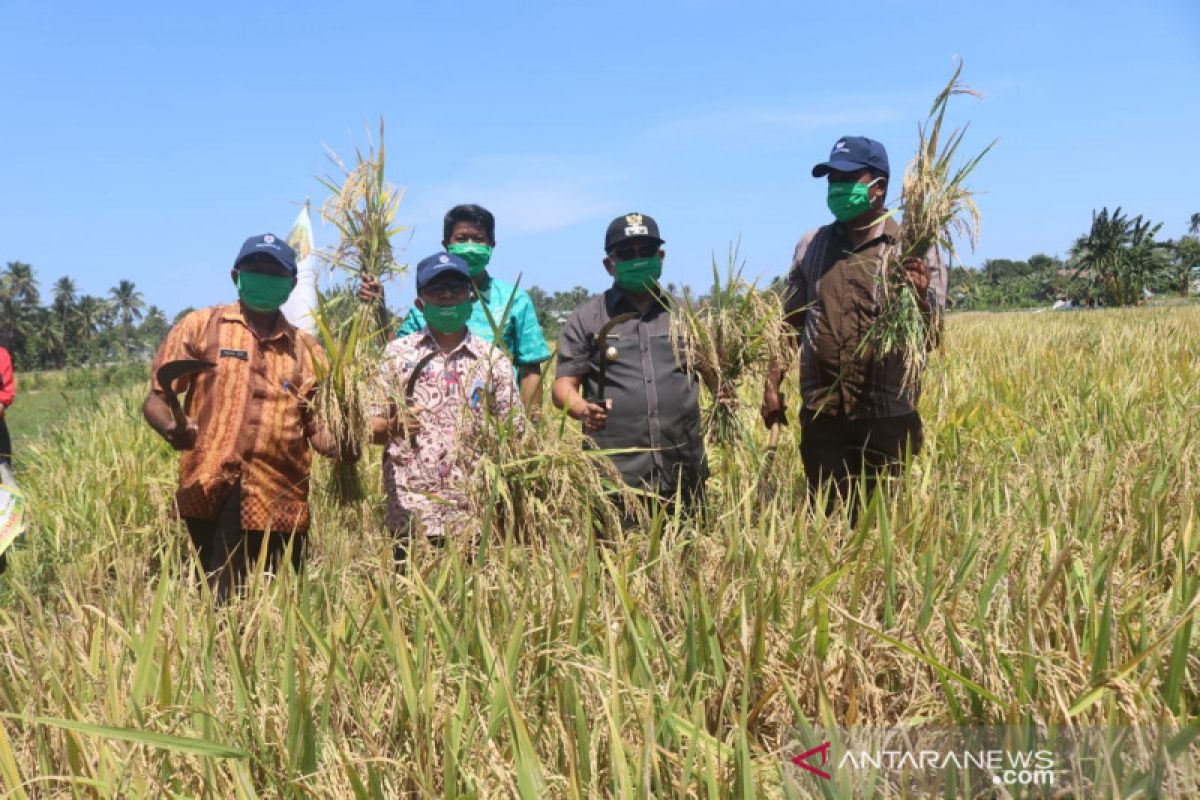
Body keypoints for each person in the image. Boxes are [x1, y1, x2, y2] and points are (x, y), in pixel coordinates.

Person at [143, 233, 352, 600]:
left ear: (290, 284)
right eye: (256, 270)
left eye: (275, 273)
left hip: (281, 497)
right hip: (213, 488)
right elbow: (158, 398)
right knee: (218, 601)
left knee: (281, 606)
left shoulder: (307, 349)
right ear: (235, 275)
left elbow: (317, 429)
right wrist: (170, 427)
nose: (265, 279)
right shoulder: (201, 326)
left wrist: (349, 440)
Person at [761, 136, 947, 519]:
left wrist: (921, 299)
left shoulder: (912, 247)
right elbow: (790, 324)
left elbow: (930, 339)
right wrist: (771, 388)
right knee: (825, 526)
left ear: (878, 187)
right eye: (832, 179)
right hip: (823, 417)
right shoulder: (810, 246)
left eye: (847, 179)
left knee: (885, 531)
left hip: (887, 418)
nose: (837, 188)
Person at [552, 213, 707, 521]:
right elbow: (562, 387)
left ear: (660, 257)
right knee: (618, 563)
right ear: (609, 264)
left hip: (683, 469)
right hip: (615, 477)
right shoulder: (588, 318)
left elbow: (715, 372)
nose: (638, 259)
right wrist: (582, 408)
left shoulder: (690, 315)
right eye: (626, 254)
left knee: (690, 563)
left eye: (646, 252)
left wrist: (726, 394)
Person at [369, 252, 519, 564]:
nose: (447, 295)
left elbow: (515, 433)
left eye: (456, 288)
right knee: (410, 607)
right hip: (410, 514)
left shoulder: (493, 360)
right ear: (420, 302)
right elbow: (368, 426)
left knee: (474, 606)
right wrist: (393, 426)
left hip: (475, 513)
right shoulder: (396, 356)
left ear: (471, 298)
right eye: (437, 290)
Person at [360, 204, 550, 407]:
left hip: (493, 424)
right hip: (431, 422)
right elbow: (394, 357)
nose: (470, 245)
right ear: (446, 244)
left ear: (491, 244)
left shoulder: (515, 301)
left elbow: (530, 370)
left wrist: (529, 428)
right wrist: (379, 308)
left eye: (478, 239)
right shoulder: (425, 307)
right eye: (461, 239)